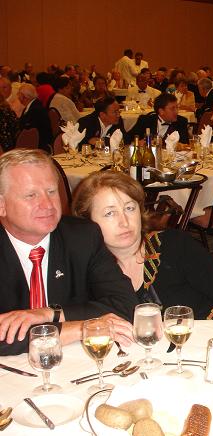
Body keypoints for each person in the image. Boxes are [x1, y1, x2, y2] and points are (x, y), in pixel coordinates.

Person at [0, 150, 138, 356]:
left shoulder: (82, 237)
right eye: (31, 195)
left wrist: (50, 314)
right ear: (1, 205)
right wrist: (81, 329)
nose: (47, 205)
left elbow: (125, 305)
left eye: (51, 191)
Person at [72, 171, 213, 319]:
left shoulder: (175, 245)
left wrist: (200, 339)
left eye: (130, 208)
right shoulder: (86, 270)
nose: (124, 222)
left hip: (209, 338)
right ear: (86, 222)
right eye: (110, 213)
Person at [17, 83, 52, 151]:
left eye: (19, 94)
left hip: (38, 146)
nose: (17, 96)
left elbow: (27, 130)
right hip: (36, 142)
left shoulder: (35, 110)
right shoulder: (33, 105)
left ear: (24, 97)